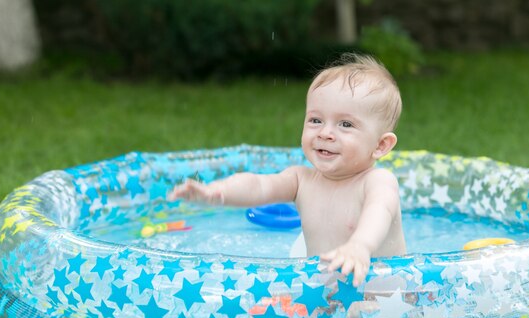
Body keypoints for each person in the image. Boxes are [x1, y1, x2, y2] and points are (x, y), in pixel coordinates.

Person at [169, 53, 406, 287]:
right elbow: (259, 185)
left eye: (345, 124)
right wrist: (217, 191)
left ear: (380, 145)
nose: (325, 133)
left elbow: (379, 210)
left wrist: (360, 246)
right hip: (325, 290)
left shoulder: (377, 182)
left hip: (380, 293)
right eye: (316, 120)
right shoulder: (301, 180)